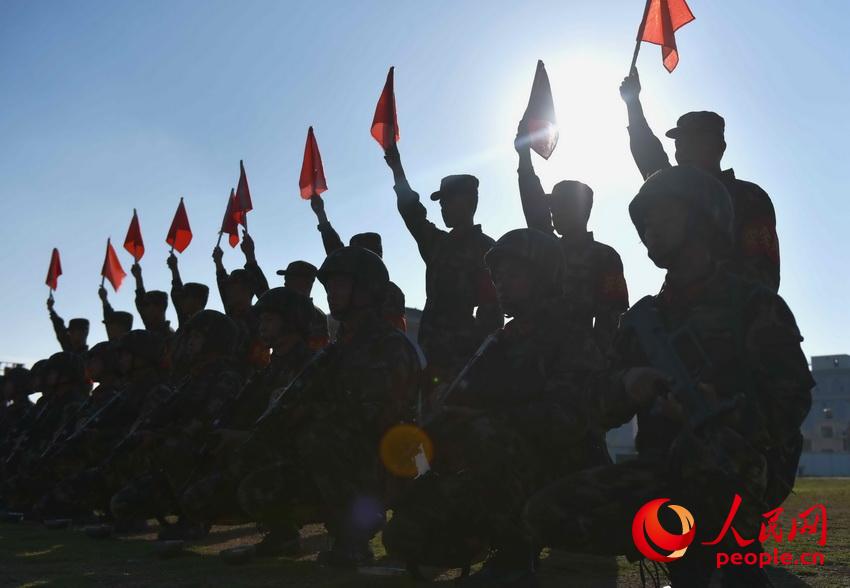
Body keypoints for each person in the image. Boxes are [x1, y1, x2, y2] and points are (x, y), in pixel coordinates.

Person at [524, 166, 813, 587]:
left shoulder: (753, 305)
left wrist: (723, 411)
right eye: (644, 221)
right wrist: (626, 386)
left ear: (702, 218)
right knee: (548, 511)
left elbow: (792, 400)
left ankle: (735, 566)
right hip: (664, 469)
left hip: (746, 467)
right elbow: (594, 404)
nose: (649, 228)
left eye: (662, 215)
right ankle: (682, 559)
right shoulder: (644, 320)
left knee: (710, 456)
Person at [383, 228, 606, 585]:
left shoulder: (570, 336)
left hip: (563, 472)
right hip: (499, 467)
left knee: (485, 433)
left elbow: (568, 419)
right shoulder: (500, 341)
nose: (501, 285)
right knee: (404, 534)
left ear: (542, 276)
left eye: (512, 275)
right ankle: (477, 540)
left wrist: (484, 419)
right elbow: (461, 403)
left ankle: (515, 558)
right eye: (497, 277)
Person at [235, 247, 421, 565]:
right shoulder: (336, 349)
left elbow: (375, 418)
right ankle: (283, 536)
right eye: (329, 285)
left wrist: (308, 414)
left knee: (317, 435)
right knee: (258, 482)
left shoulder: (389, 346)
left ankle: (354, 540)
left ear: (366, 291)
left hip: (385, 462)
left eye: (341, 285)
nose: (331, 292)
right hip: (340, 457)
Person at [619, 68, 780, 291]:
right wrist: (632, 103)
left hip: (733, 308)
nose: (682, 149)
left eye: (691, 140)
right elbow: (648, 154)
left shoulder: (749, 197)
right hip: (680, 306)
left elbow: (763, 274)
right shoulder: (674, 191)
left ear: (717, 146)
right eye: (679, 143)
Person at [383, 142, 503, 394]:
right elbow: (412, 212)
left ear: (467, 202)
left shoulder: (487, 250)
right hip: (429, 355)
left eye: (447, 200)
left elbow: (491, 313)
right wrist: (397, 169)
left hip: (463, 364)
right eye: (441, 202)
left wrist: (473, 363)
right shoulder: (438, 244)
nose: (442, 207)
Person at [514, 123, 629, 352]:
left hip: (580, 362)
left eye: (559, 206)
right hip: (537, 356)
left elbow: (611, 317)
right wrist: (524, 155)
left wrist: (595, 359)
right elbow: (532, 201)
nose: (553, 212)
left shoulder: (605, 257)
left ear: (580, 209)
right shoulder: (548, 248)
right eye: (552, 207)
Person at [309, 194, 407, 331]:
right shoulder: (355, 283)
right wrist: (321, 214)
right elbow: (335, 251)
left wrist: (321, 215)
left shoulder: (388, 293)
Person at [275, 261, 330, 350]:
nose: (285, 283)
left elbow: (318, 352)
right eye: (285, 279)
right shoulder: (280, 309)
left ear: (306, 283)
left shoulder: (316, 316)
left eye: (290, 279)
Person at [129, 263, 174, 338]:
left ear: (162, 307)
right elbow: (140, 297)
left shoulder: (170, 337)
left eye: (154, 304)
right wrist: (138, 277)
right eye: (146, 305)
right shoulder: (150, 329)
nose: (148, 309)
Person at [166, 252, 209, 330]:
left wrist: (174, 268)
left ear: (197, 300)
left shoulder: (206, 328)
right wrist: (174, 268)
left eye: (185, 296)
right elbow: (177, 288)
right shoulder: (185, 323)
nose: (181, 300)